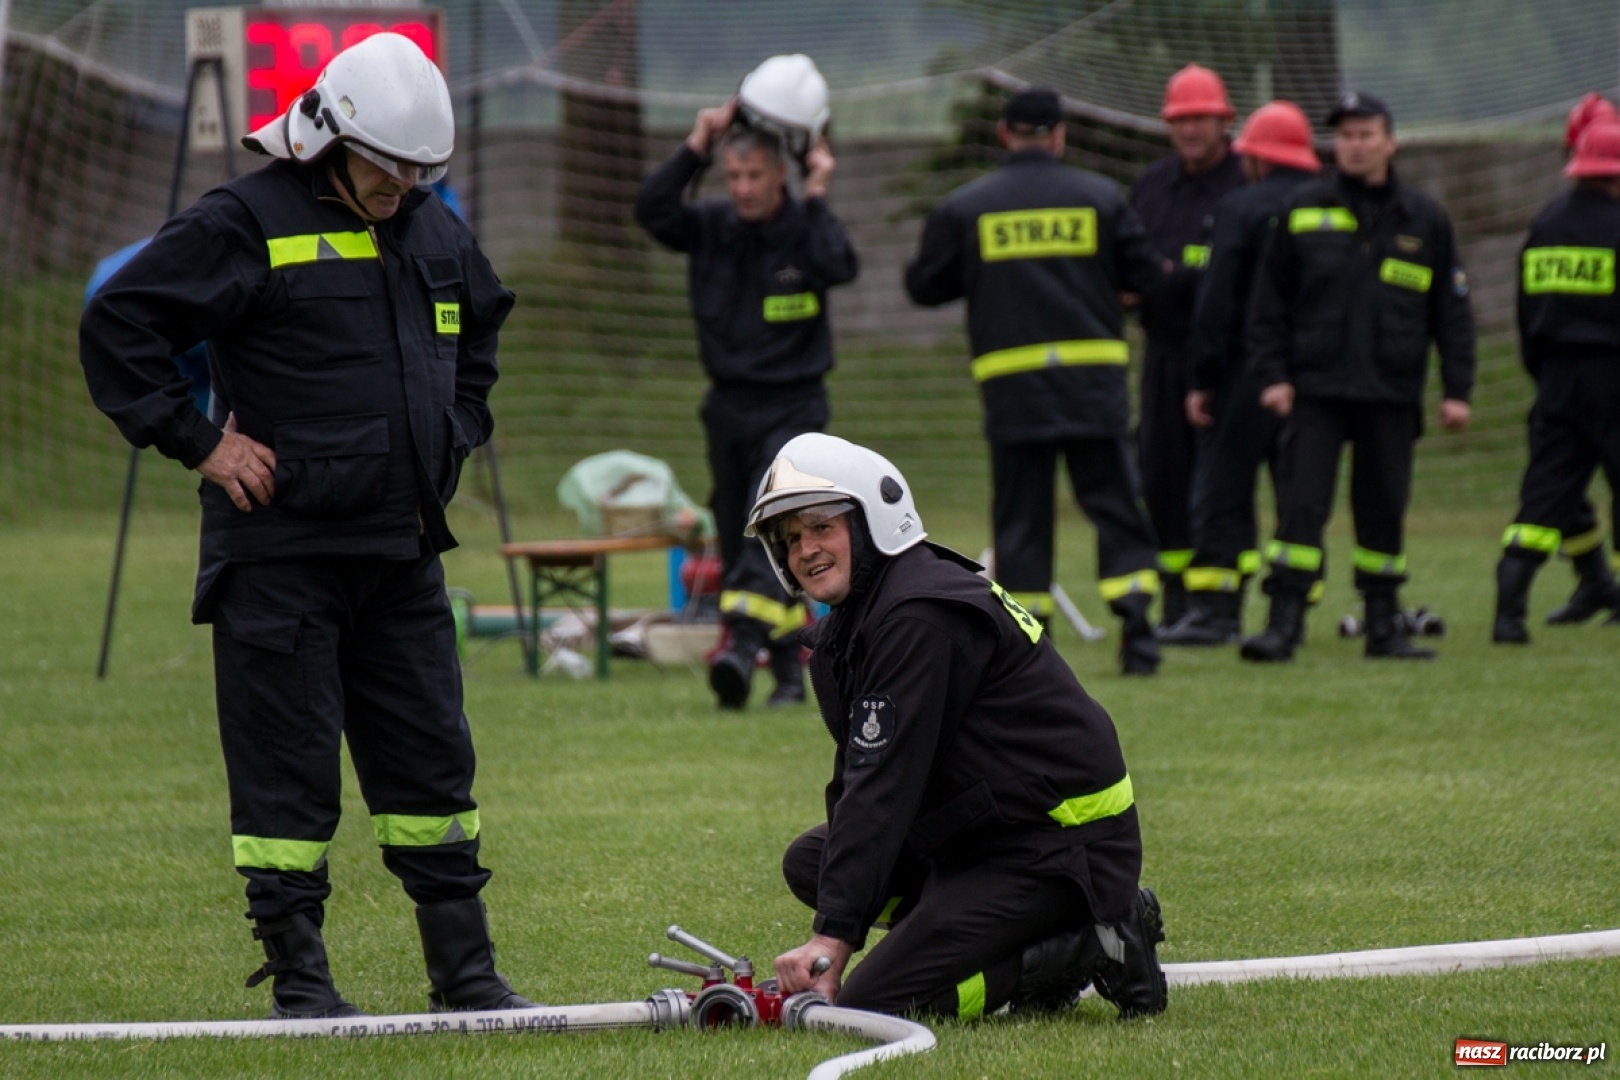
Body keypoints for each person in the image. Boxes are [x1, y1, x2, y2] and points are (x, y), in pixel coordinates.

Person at [78, 33, 531, 1018]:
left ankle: (467, 978)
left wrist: (452, 436)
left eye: (420, 172)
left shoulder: (430, 226)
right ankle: (303, 987)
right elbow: (119, 323)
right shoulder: (243, 220)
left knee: (432, 771)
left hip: (401, 555)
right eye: (388, 168)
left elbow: (480, 329)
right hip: (279, 558)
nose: (404, 187)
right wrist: (203, 443)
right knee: (286, 784)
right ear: (329, 137)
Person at [750, 433, 1166, 1021]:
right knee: (812, 862)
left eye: (821, 527)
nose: (805, 549)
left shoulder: (918, 617)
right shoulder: (867, 615)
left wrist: (832, 940)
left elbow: (882, 788)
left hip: (1056, 846)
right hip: (986, 831)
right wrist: (839, 917)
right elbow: (860, 787)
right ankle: (982, 931)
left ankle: (1076, 946)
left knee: (870, 1005)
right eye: (791, 538)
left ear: (871, 522)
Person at [904, 87, 1167, 675]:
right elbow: (1149, 276)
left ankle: (1030, 650)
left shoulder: (968, 207)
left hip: (1013, 390)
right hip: (1093, 385)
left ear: (1004, 133)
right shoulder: (1101, 197)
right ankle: (1139, 632)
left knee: (1021, 520)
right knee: (1115, 505)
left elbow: (924, 286)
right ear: (1060, 134)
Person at [635, 54, 858, 709]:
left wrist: (818, 190)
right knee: (748, 534)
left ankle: (736, 644)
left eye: (754, 175)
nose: (742, 187)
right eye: (732, 176)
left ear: (780, 173)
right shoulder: (711, 227)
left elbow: (841, 264)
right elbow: (651, 209)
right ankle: (789, 673)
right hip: (727, 407)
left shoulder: (806, 226)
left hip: (795, 407)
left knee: (771, 517)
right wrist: (697, 144)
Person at [1241, 91, 1476, 662]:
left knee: (1383, 510)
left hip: (1390, 390)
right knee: (1300, 508)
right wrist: (1272, 376)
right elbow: (1267, 304)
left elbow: (1451, 312)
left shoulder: (1424, 218)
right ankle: (1283, 626)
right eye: (1346, 135)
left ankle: (1383, 627)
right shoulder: (1302, 207)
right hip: (1313, 389)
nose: (1355, 145)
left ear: (1390, 143)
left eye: (1366, 134)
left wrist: (1457, 389)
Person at [1159, 101, 1322, 646]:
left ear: (1257, 158)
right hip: (1313, 375)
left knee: (1223, 486)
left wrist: (1202, 378)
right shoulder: (1328, 207)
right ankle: (1293, 608)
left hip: (1243, 370)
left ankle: (1216, 610)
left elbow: (1218, 299)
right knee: (1300, 490)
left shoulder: (1240, 208)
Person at [1492, 118, 1620, 642]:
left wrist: (1546, 374)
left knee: (1543, 498)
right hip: (1613, 375)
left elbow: (1526, 313)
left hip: (1557, 380)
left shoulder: (1546, 223)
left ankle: (1508, 617)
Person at [1130, 64, 1247, 628]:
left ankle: (1221, 600)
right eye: (1181, 120)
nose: (1191, 130)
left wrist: (1170, 275)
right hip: (1163, 352)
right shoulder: (1152, 185)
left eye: (1201, 118)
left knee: (1220, 483)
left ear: (1225, 120)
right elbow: (1129, 262)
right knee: (1162, 477)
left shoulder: (1245, 183)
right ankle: (1177, 599)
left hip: (1230, 358)